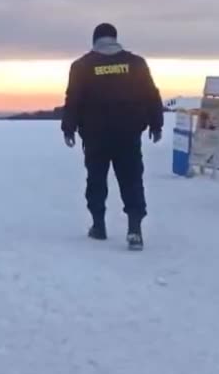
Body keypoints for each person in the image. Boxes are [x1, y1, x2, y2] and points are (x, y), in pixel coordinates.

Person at [60, 23, 164, 250]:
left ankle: (98, 226)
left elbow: (73, 99)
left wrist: (68, 128)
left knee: (96, 179)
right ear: (115, 38)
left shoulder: (82, 66)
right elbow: (151, 94)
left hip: (95, 136)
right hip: (128, 134)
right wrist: (156, 124)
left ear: (95, 40)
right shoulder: (136, 63)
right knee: (132, 179)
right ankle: (135, 230)